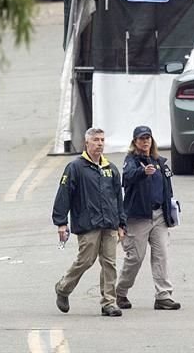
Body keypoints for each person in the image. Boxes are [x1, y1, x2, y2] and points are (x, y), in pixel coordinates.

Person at [53, 127, 126, 317]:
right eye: (96, 140)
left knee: (109, 263)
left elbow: (118, 197)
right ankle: (63, 288)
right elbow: (64, 194)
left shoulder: (111, 169)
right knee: (86, 260)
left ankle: (109, 302)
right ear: (87, 143)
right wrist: (61, 222)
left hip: (109, 223)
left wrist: (121, 223)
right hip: (88, 224)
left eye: (102, 140)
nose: (100, 143)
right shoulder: (76, 167)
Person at [116, 125, 181, 310]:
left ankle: (163, 295)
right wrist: (142, 172)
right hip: (138, 217)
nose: (145, 142)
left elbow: (167, 188)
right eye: (141, 139)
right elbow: (126, 178)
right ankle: (120, 292)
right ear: (135, 142)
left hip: (159, 215)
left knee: (162, 255)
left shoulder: (159, 161)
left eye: (148, 138)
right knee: (135, 257)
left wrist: (170, 210)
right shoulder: (131, 161)